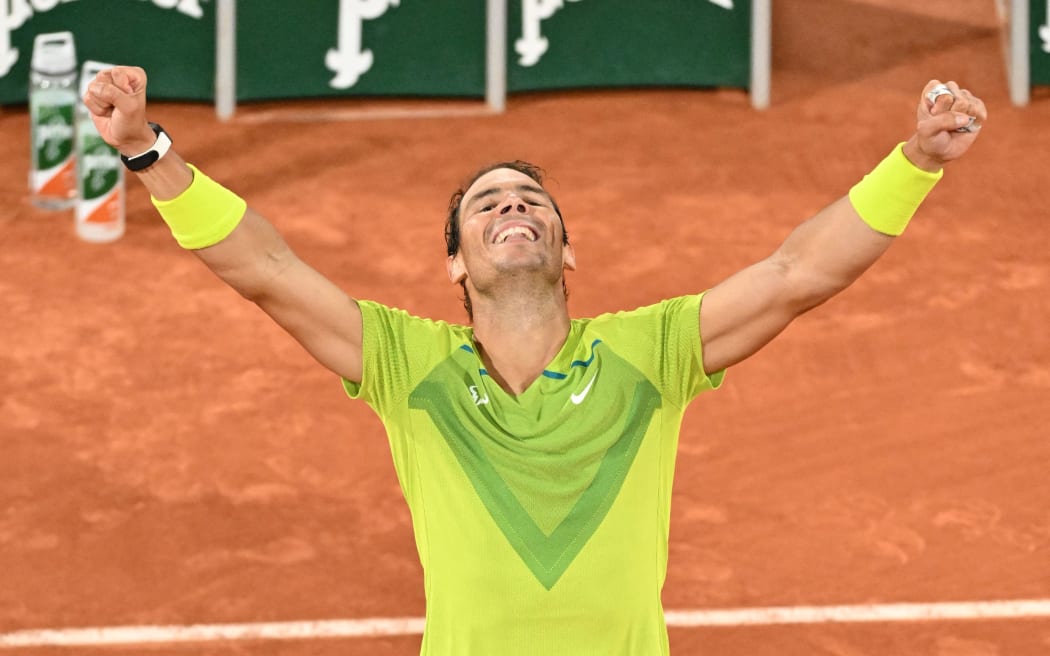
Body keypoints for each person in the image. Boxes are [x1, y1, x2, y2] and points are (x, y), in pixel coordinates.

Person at [82, 67, 986, 655]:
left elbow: (799, 272)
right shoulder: (406, 363)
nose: (512, 206)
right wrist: (144, 150)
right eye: (486, 204)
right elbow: (267, 271)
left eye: (531, 200)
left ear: (565, 249)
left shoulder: (653, 350)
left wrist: (913, 160)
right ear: (455, 262)